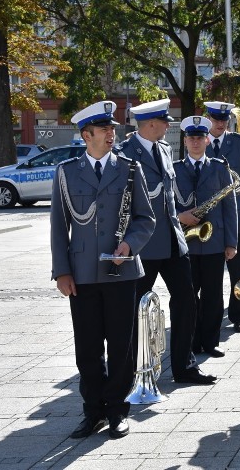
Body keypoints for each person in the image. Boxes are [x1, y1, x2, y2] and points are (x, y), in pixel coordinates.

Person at [51, 100, 155, 439]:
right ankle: (92, 411)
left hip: (122, 271)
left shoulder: (128, 168)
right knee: (88, 346)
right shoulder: (66, 172)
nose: (113, 133)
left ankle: (117, 411)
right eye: (105, 129)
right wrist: (61, 272)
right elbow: (58, 226)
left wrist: (130, 245)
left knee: (122, 345)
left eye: (113, 128)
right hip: (81, 273)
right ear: (86, 135)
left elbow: (145, 218)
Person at [117, 99, 215, 385]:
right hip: (143, 245)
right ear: (150, 124)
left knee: (186, 301)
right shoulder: (124, 153)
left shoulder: (164, 148)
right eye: (164, 121)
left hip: (173, 241)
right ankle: (135, 369)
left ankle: (184, 366)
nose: (168, 125)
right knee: (135, 309)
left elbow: (167, 199)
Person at [173, 116, 238, 358]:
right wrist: (181, 216)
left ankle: (210, 341)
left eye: (200, 137)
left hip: (213, 241)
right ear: (185, 140)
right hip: (185, 243)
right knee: (188, 296)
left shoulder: (220, 168)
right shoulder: (175, 169)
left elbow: (230, 208)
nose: (196, 141)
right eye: (191, 137)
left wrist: (231, 242)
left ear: (207, 140)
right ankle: (190, 341)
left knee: (212, 295)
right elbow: (167, 205)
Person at [204, 101, 240, 332]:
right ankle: (209, 317)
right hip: (206, 219)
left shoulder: (239, 142)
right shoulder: (198, 139)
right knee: (209, 273)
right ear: (208, 119)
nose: (220, 124)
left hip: (235, 215)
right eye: (216, 119)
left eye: (224, 120)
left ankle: (239, 315)